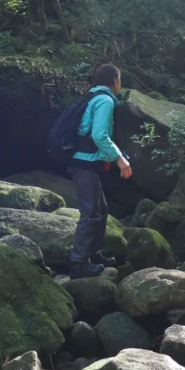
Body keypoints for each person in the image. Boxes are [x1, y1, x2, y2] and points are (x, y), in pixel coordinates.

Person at [68, 63, 133, 279]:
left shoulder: (93, 98)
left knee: (100, 210)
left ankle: (94, 254)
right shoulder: (104, 101)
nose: (120, 83)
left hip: (88, 164)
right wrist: (120, 159)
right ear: (114, 80)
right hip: (84, 164)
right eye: (119, 79)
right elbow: (99, 136)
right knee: (91, 213)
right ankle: (78, 262)